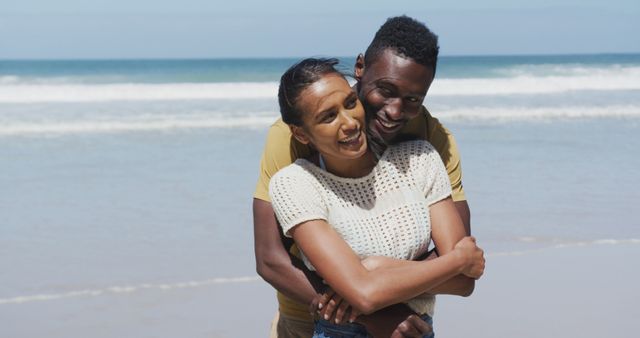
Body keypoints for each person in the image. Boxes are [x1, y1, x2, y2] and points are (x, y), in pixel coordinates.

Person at [254, 16, 472, 337]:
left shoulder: (431, 142)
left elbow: (461, 261)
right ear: (360, 67)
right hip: (311, 315)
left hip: (410, 323)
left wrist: (374, 275)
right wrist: (366, 311)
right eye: (385, 90)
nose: (395, 111)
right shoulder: (292, 136)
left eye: (413, 99)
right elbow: (271, 259)